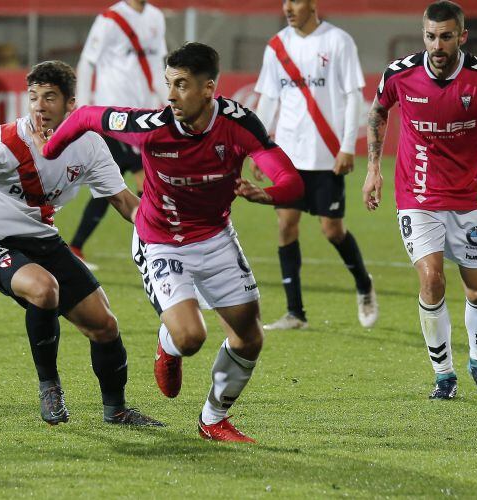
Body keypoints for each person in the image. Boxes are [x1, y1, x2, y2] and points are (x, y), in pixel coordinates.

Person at [35, 43, 304, 442]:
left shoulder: (240, 125)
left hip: (215, 237)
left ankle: (213, 420)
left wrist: (271, 193)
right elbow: (88, 117)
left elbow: (290, 181)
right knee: (190, 337)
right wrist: (50, 148)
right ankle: (169, 345)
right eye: (168, 84)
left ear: (209, 88)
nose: (171, 95)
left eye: (181, 85)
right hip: (159, 240)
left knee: (249, 337)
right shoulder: (151, 128)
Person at [0, 60, 163, 427]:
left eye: (50, 97)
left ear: (71, 104)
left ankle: (117, 411)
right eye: (34, 97)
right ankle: (50, 386)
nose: (39, 106)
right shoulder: (2, 143)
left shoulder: (89, 146)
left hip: (43, 241)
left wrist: (163, 233)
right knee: (44, 289)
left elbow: (123, 201)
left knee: (104, 325)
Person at [364, 0, 477, 399]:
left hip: (466, 199)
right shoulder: (401, 74)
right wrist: (373, 169)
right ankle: (444, 374)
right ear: (422, 34)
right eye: (430, 36)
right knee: (431, 279)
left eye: (445, 37)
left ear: (462, 36)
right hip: (417, 195)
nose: (437, 46)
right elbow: (378, 112)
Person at [252, 0, 377, 330]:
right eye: (285, 2)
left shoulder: (338, 41)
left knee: (332, 230)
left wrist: (349, 146)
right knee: (285, 226)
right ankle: (296, 313)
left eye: (295, 2)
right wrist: (258, 148)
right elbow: (268, 99)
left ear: (313, 4)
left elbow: (353, 96)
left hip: (327, 154)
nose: (288, 8)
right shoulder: (277, 46)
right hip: (288, 156)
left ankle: (364, 285)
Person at [68, 0, 168, 270]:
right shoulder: (110, 19)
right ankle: (153, 245)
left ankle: (75, 247)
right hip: (112, 116)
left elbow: (158, 65)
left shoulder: (156, 18)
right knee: (146, 181)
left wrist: (166, 101)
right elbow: (88, 63)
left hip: (142, 117)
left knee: (108, 186)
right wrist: (85, 112)